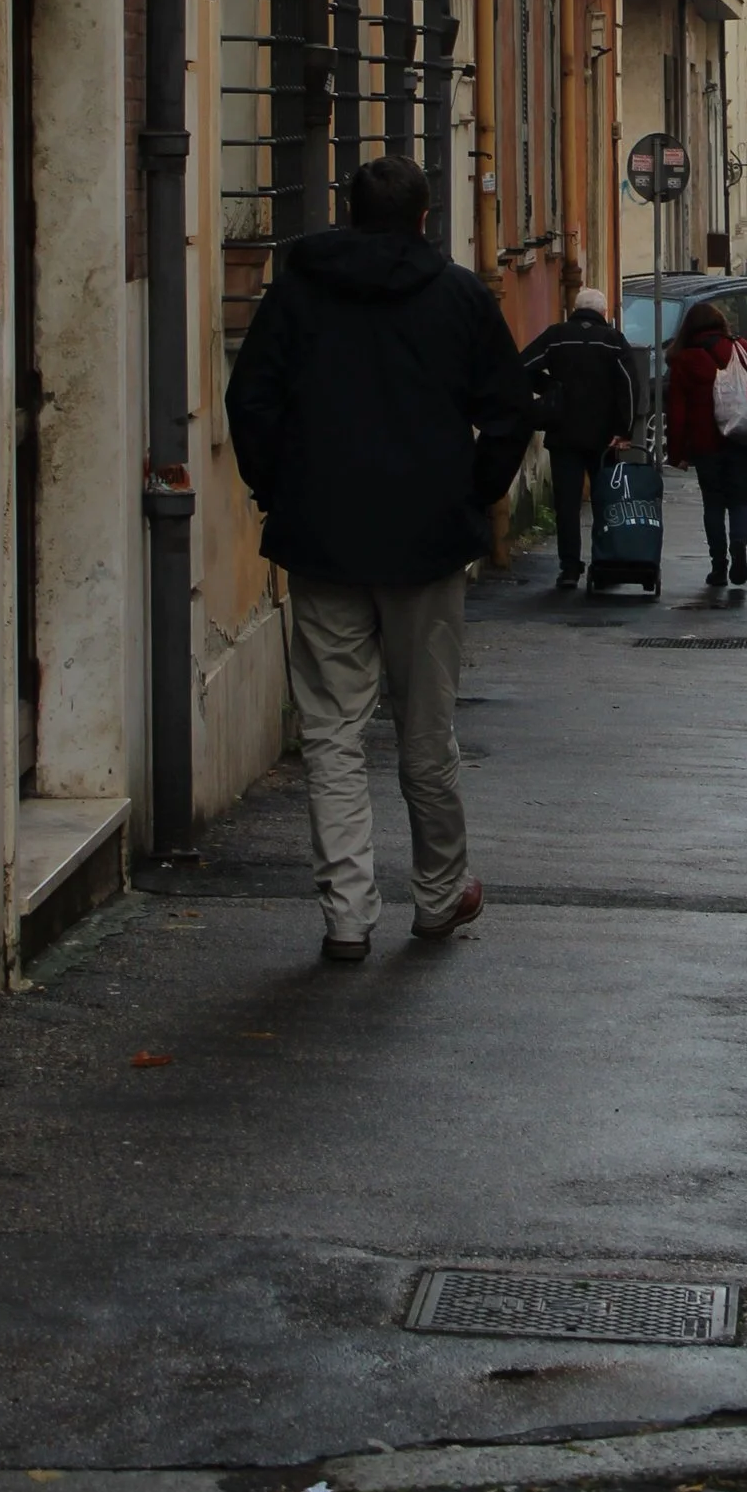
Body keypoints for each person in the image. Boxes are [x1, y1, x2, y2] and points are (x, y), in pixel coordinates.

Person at [225, 155, 530, 965]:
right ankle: (438, 895)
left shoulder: (298, 289)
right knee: (426, 731)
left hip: (321, 535)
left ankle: (346, 916)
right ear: (425, 219)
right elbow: (508, 410)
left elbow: (248, 400)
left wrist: (277, 488)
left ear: (349, 213)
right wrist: (473, 495)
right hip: (428, 542)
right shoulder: (461, 296)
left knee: (331, 734)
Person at [521, 291, 640, 592]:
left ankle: (570, 568)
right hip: (604, 437)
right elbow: (629, 385)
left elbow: (523, 367)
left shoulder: (557, 336)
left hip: (564, 434)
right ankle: (603, 562)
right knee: (605, 502)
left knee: (567, 505)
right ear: (602, 311)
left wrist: (549, 386)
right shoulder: (613, 340)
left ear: (575, 309)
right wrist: (624, 430)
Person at [664, 298, 747, 592]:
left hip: (705, 445)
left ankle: (718, 567)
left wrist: (676, 453)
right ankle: (739, 543)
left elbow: (676, 412)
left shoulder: (684, 359)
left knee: (713, 504)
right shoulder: (739, 347)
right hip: (742, 438)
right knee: (741, 499)